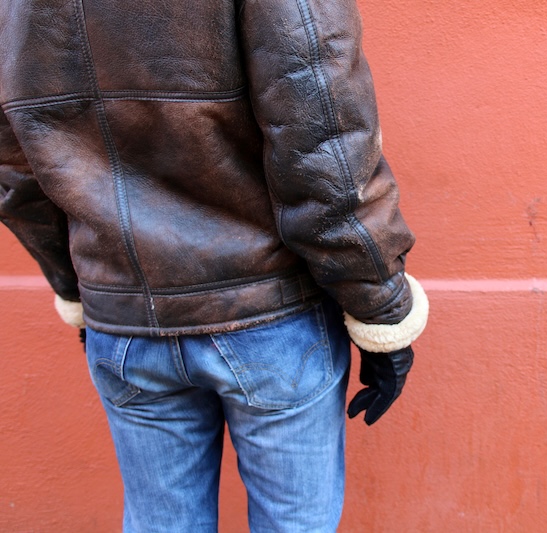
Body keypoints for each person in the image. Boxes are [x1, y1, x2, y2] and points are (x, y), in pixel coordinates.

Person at [0, 0, 428, 531]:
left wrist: (80, 289)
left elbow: (15, 168)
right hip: (269, 318)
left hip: (125, 325)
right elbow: (324, 143)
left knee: (160, 524)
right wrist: (381, 312)